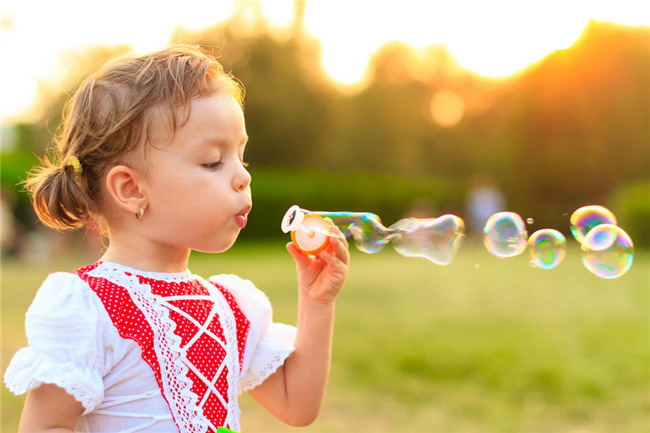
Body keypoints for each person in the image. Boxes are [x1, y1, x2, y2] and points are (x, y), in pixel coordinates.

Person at [4, 45, 349, 433]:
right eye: (213, 162)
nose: (243, 176)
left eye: (241, 156)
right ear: (132, 189)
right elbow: (46, 426)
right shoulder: (89, 309)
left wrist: (317, 302)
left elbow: (297, 406)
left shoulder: (230, 308)